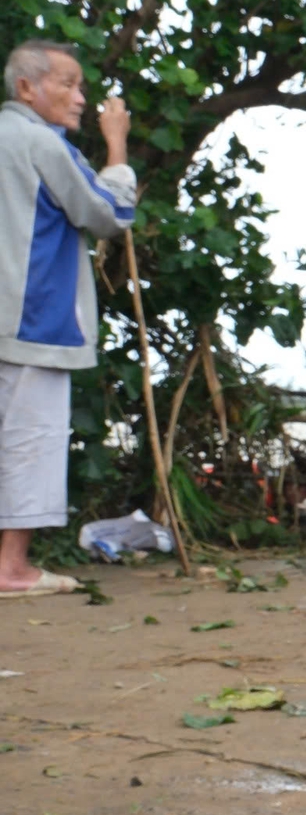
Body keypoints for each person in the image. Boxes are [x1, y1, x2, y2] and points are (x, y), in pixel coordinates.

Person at [0, 40, 136, 598]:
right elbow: (106, 213)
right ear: (26, 87)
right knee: (30, 440)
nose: (81, 98)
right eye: (68, 84)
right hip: (34, 316)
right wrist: (117, 145)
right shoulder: (40, 142)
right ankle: (12, 569)